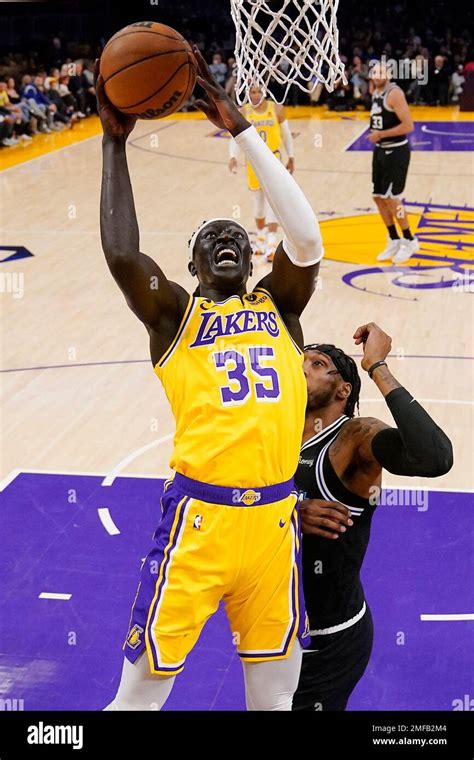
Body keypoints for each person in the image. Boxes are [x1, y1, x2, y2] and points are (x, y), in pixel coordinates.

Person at [97, 46, 323, 712]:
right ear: (193, 267)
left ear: (252, 257)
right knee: (138, 700)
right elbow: (120, 253)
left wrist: (244, 131)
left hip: (275, 526)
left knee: (274, 703)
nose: (227, 240)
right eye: (209, 239)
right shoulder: (175, 315)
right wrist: (113, 146)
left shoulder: (278, 305)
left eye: (236, 236)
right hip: (198, 524)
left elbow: (307, 241)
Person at [292, 324, 453, 711]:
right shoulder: (273, 435)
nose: (302, 368)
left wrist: (377, 366)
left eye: (317, 364)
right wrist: (288, 512)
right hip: (270, 629)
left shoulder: (354, 438)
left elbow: (435, 457)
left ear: (342, 390)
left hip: (329, 638)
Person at [228, 84, 295, 262]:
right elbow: (236, 137)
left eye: (258, 91)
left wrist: (292, 156)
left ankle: (272, 242)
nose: (256, 95)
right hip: (253, 161)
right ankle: (260, 237)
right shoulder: (244, 112)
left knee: (274, 201)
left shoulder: (277, 109)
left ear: (264, 92)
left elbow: (287, 135)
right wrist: (233, 156)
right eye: (252, 92)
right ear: (248, 93)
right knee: (258, 203)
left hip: (274, 159)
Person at [368, 62, 417, 265]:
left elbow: (408, 126)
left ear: (388, 74)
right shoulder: (375, 93)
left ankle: (409, 240)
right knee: (378, 197)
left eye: (381, 72)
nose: (377, 75)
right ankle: (394, 239)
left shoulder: (394, 93)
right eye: (374, 72)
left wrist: (381, 134)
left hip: (396, 151)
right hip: (380, 151)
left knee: (392, 199)